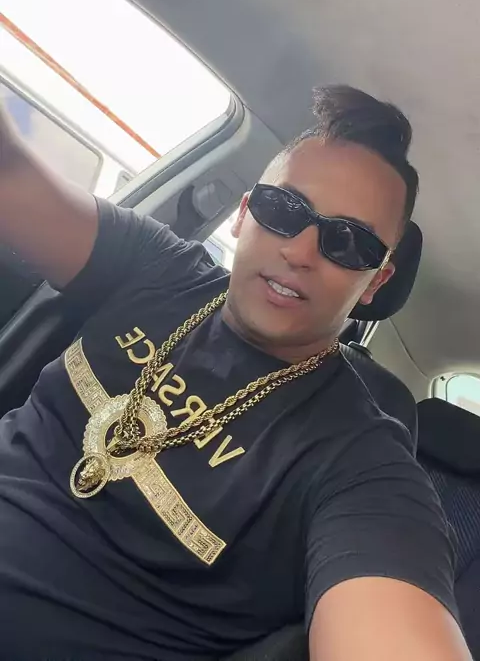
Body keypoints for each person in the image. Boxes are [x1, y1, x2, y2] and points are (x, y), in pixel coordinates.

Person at [0, 85, 471, 661]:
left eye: (348, 243)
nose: (300, 251)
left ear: (375, 281)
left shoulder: (359, 462)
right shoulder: (155, 268)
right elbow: (10, 173)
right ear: (245, 214)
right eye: (283, 210)